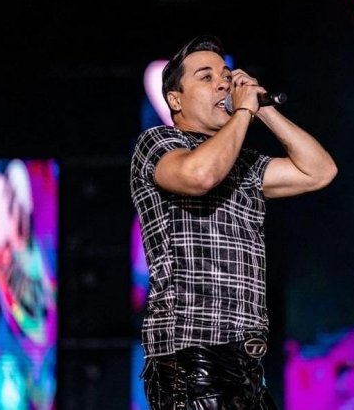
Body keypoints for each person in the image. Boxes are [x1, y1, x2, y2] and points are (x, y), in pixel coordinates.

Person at [130, 34, 337, 409]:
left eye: (226, 76)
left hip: (246, 364)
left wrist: (262, 109)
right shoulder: (158, 143)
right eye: (206, 77)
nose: (223, 84)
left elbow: (319, 171)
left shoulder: (245, 165)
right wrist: (242, 113)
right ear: (175, 100)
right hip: (192, 359)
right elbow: (200, 176)